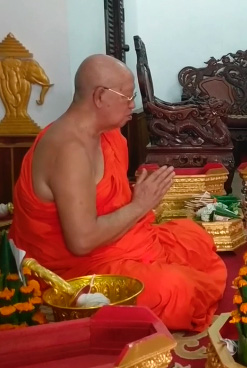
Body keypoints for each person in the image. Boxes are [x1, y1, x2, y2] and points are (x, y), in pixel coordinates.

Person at [9, 54, 227, 331]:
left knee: (195, 239)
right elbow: (82, 241)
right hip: (76, 269)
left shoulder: (108, 134)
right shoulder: (68, 150)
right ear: (100, 96)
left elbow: (103, 200)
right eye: (127, 97)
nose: (133, 105)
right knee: (177, 289)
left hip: (118, 245)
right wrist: (139, 205)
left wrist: (138, 195)